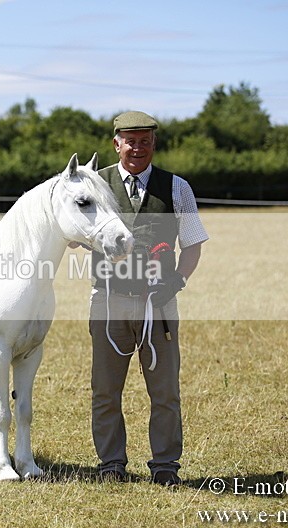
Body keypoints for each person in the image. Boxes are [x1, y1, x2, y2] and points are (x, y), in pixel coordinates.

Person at [87, 110, 208, 485]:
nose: (137, 148)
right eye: (130, 141)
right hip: (108, 302)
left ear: (153, 143)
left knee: (165, 391)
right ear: (116, 143)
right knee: (106, 390)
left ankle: (165, 467)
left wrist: (177, 282)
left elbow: (192, 245)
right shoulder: (96, 184)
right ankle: (111, 464)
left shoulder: (177, 187)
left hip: (161, 303)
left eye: (144, 141)